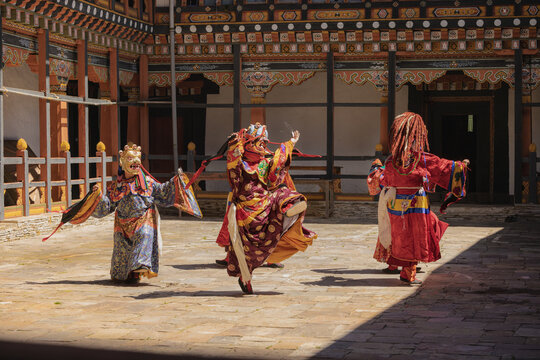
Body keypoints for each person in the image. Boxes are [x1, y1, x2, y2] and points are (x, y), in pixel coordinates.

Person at [43, 143, 201, 284]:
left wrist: (177, 181)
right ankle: (125, 274)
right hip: (122, 222)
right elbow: (108, 206)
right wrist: (97, 197)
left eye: (138, 158)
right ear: (122, 162)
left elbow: (162, 192)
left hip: (143, 218)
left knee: (145, 235)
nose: (136, 162)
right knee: (121, 257)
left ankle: (141, 265)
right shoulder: (116, 186)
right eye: (131, 158)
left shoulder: (148, 183)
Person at [367, 112, 469, 285]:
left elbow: (384, 181)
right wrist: (461, 166)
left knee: (401, 237)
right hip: (416, 204)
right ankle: (408, 273)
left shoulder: (392, 161)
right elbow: (443, 167)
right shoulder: (421, 159)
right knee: (415, 237)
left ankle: (399, 266)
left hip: (396, 205)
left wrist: (376, 171)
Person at [216, 123, 316, 294]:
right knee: (246, 251)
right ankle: (245, 278)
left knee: (285, 194)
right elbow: (233, 169)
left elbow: (278, 166)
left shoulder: (265, 162)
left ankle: (288, 212)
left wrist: (290, 143)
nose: (263, 146)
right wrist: (233, 145)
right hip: (244, 211)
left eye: (264, 143)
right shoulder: (240, 162)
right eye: (259, 142)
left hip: (266, 205)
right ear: (249, 142)